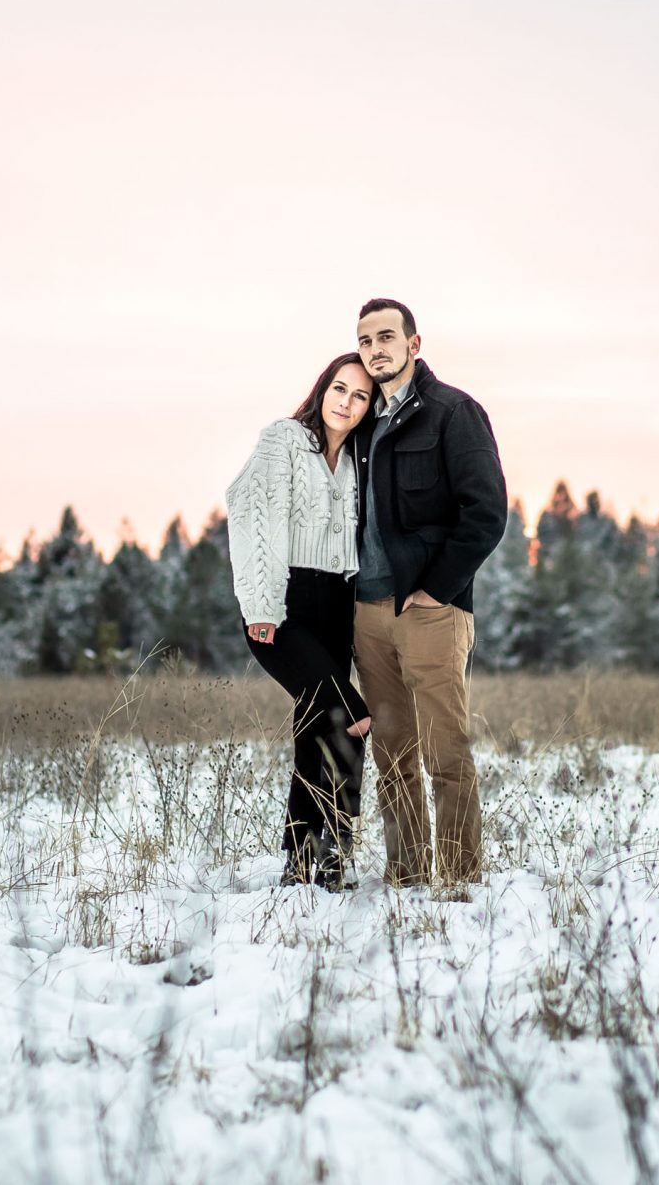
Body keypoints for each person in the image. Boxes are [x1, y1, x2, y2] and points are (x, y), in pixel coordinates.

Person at [350, 299, 507, 890]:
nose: (375, 349)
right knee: (392, 754)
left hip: (430, 613)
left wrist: (437, 589)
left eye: (387, 336)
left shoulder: (453, 412)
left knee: (445, 751)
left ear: (415, 344)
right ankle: (408, 875)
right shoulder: (363, 422)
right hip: (367, 614)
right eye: (365, 341)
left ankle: (461, 878)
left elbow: (487, 512)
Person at [225, 352, 378, 889]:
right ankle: (335, 841)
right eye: (340, 388)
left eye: (361, 396)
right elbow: (250, 512)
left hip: (337, 603)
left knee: (315, 730)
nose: (348, 402)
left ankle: (303, 859)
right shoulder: (285, 440)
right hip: (284, 606)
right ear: (323, 390)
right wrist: (261, 606)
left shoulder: (359, 456)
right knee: (351, 715)